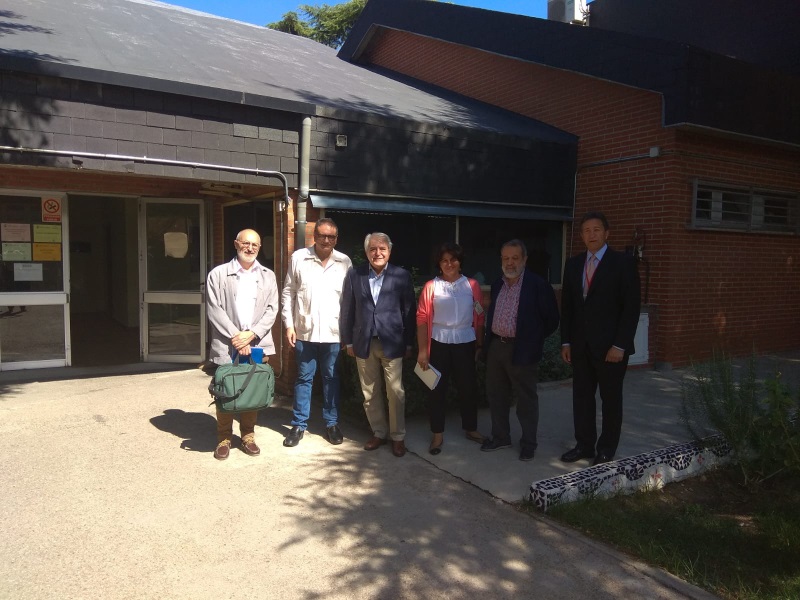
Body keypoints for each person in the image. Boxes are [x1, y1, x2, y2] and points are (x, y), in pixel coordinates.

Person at [560, 211, 641, 465]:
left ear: (607, 234)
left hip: (610, 349)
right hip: (581, 347)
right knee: (582, 399)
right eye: (586, 230)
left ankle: (606, 448)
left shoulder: (623, 263)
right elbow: (569, 307)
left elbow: (631, 307)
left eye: (596, 230)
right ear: (582, 235)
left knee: (610, 400)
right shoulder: (574, 265)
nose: (591, 234)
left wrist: (620, 344)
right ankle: (584, 445)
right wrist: (566, 341)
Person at [480, 239, 559, 461]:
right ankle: (501, 437)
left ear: (524, 259)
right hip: (497, 346)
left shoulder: (537, 285)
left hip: (522, 349)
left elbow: (552, 319)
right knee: (496, 395)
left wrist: (532, 339)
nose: (510, 263)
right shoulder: (498, 284)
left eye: (515, 258)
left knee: (525, 399)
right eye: (506, 258)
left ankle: (528, 443)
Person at [339, 232, 416, 457]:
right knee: (369, 392)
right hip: (364, 343)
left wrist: (409, 343)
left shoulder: (401, 276)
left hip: (392, 342)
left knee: (395, 391)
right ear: (366, 252)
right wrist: (348, 341)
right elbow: (347, 310)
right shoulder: (355, 274)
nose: (377, 253)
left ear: (389, 252)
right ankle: (379, 432)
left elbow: (409, 312)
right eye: (373, 249)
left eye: (382, 248)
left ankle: (397, 436)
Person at [206, 228, 279, 461]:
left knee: (252, 388)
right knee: (226, 391)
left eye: (255, 245)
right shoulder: (218, 274)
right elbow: (214, 309)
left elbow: (272, 310)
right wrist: (237, 337)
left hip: (257, 343)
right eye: (245, 243)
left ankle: (248, 435)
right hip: (227, 344)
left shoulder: (268, 275)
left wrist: (252, 335)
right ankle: (224, 438)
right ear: (236, 244)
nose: (250, 248)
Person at [281, 217, 352, 448]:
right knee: (304, 378)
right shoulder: (299, 257)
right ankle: (299, 424)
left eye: (331, 237)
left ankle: (331, 423)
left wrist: (347, 333)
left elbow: (349, 302)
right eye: (322, 235)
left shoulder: (344, 262)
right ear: (314, 236)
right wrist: (289, 325)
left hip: (333, 334)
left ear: (336, 238)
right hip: (305, 331)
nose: (326, 240)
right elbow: (288, 293)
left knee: (331, 379)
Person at [416, 242, 485, 455]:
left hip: (465, 341)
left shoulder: (472, 286)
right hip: (438, 343)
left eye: (453, 259)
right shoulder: (431, 287)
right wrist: (423, 350)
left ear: (460, 262)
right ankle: (437, 434)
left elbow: (479, 317)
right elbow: (422, 319)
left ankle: (471, 428)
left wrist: (479, 345)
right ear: (439, 263)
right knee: (436, 390)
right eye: (444, 260)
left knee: (468, 388)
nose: (449, 264)